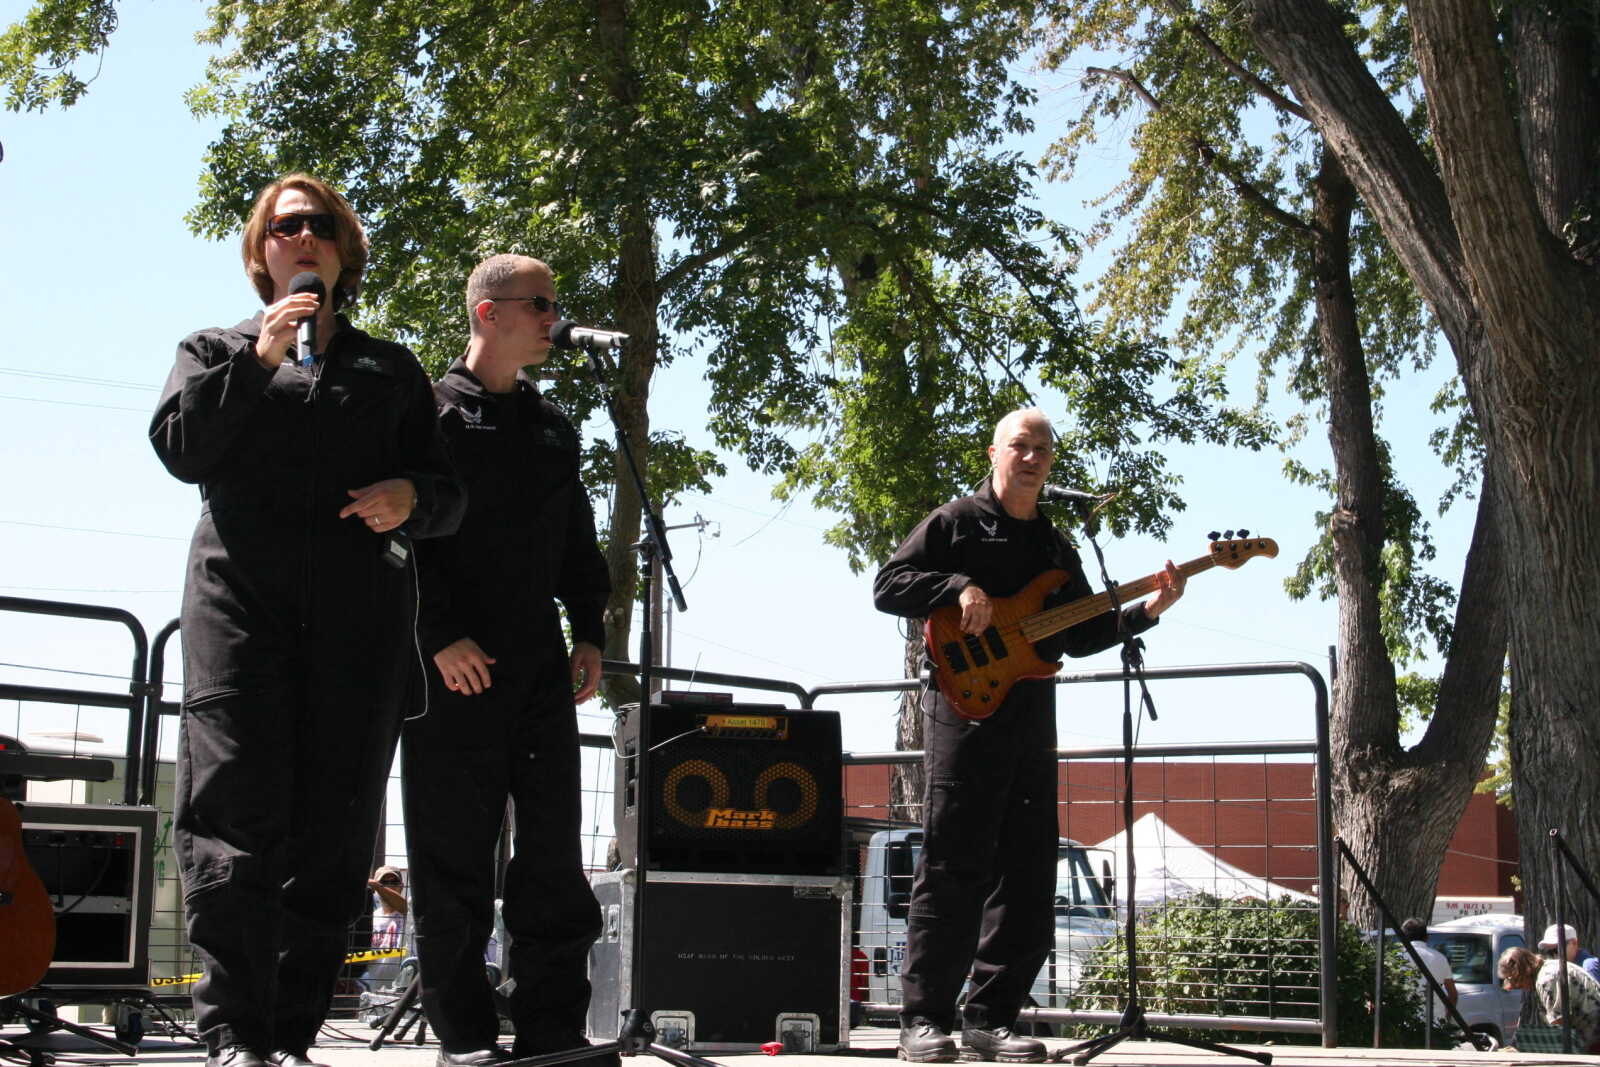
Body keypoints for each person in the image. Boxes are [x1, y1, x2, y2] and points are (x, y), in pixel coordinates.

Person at [149, 173, 465, 1067]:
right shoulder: (215, 348)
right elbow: (180, 447)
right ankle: (233, 1033)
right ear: (262, 250)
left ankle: (290, 1033)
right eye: (285, 225)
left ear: (343, 251)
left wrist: (412, 496)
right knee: (236, 823)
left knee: (335, 835)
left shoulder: (390, 369)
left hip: (359, 629)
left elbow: (449, 497)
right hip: (240, 617)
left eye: (321, 225)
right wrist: (258, 361)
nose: (303, 237)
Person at [872, 408, 1186, 1063]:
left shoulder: (1054, 546)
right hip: (963, 707)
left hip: (1032, 710)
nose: (1033, 456)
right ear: (995, 453)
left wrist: (1148, 610)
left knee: (1029, 867)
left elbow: (1080, 633)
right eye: (1021, 444)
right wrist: (958, 586)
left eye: (1043, 447)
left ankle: (991, 1019)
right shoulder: (955, 522)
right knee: (953, 862)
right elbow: (889, 585)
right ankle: (923, 1020)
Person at [403, 254, 611, 1067]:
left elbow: (577, 539)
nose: (555, 318)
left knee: (553, 853)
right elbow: (399, 539)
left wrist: (588, 629)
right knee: (453, 854)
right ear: (489, 313)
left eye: (555, 305)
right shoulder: (427, 415)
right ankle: (463, 1033)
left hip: (536, 666)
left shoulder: (554, 426)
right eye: (541, 304)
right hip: (453, 667)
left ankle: (552, 1030)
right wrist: (436, 634)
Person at [1498, 944, 1600, 1051]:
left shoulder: (1547, 979)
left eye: (1518, 983)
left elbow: (1559, 1026)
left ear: (1525, 972)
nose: (1520, 987)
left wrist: (1524, 1048)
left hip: (1594, 1037)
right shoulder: (1548, 968)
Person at [1400, 918, 1456, 1025]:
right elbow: (1453, 994)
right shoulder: (1440, 958)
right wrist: (1447, 1018)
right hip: (1435, 1023)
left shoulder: (1396, 958)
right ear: (1426, 937)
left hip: (1402, 1025)